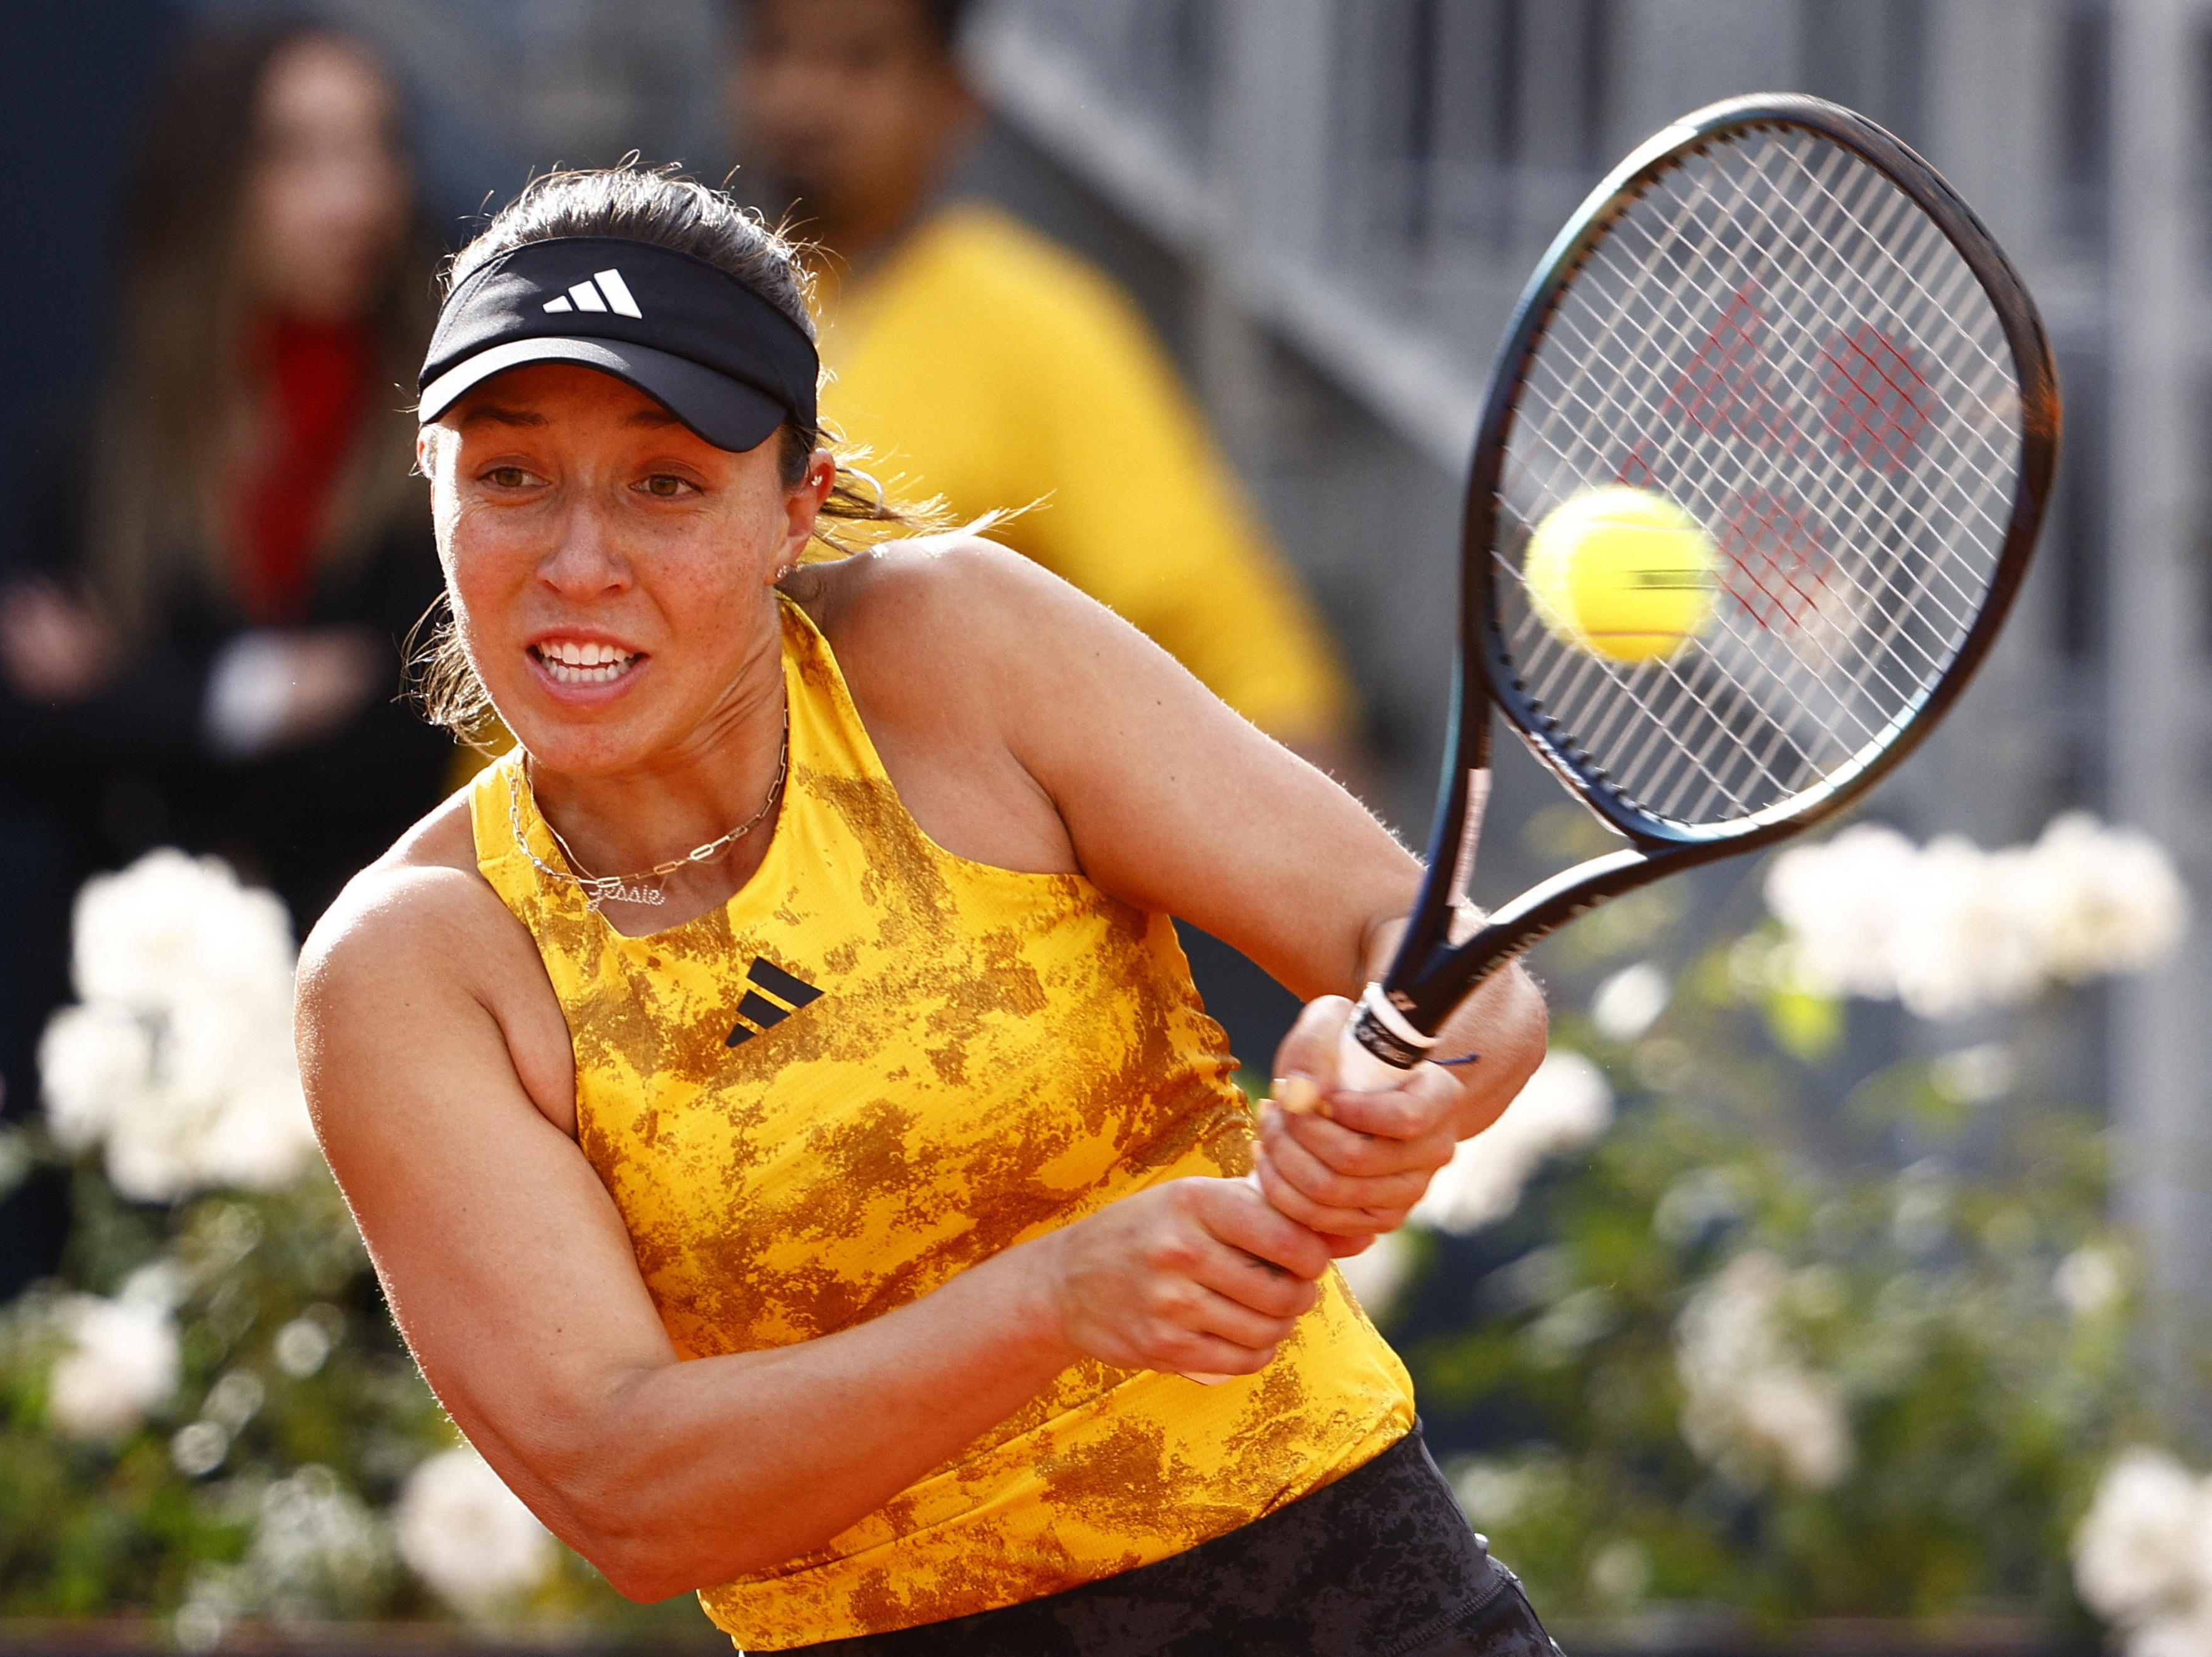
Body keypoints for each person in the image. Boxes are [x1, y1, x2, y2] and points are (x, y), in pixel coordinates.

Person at [299, 163, 1554, 1655]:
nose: (579, 562)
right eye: (510, 476)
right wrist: (1055, 1299)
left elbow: (1454, 977)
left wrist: (1403, 1080)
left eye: (666, 482)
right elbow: (629, 1489)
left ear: (796, 503)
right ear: (431, 484)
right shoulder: (410, 967)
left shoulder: (962, 645)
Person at [727, 0, 1364, 777]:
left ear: (955, 100)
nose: (804, 95)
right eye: (775, 49)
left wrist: (1349, 883)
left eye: (859, 60)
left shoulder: (1039, 321)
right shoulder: (687, 310)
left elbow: (1226, 639)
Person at [0, 17, 455, 934]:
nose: (354, 197)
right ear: (211, 178)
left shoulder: (442, 446)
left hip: (363, 984)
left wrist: (126, 695)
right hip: (122, 1008)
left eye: (377, 146)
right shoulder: (100, 450)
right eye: (298, 153)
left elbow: (392, 751)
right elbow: (3, 732)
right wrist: (255, 695)